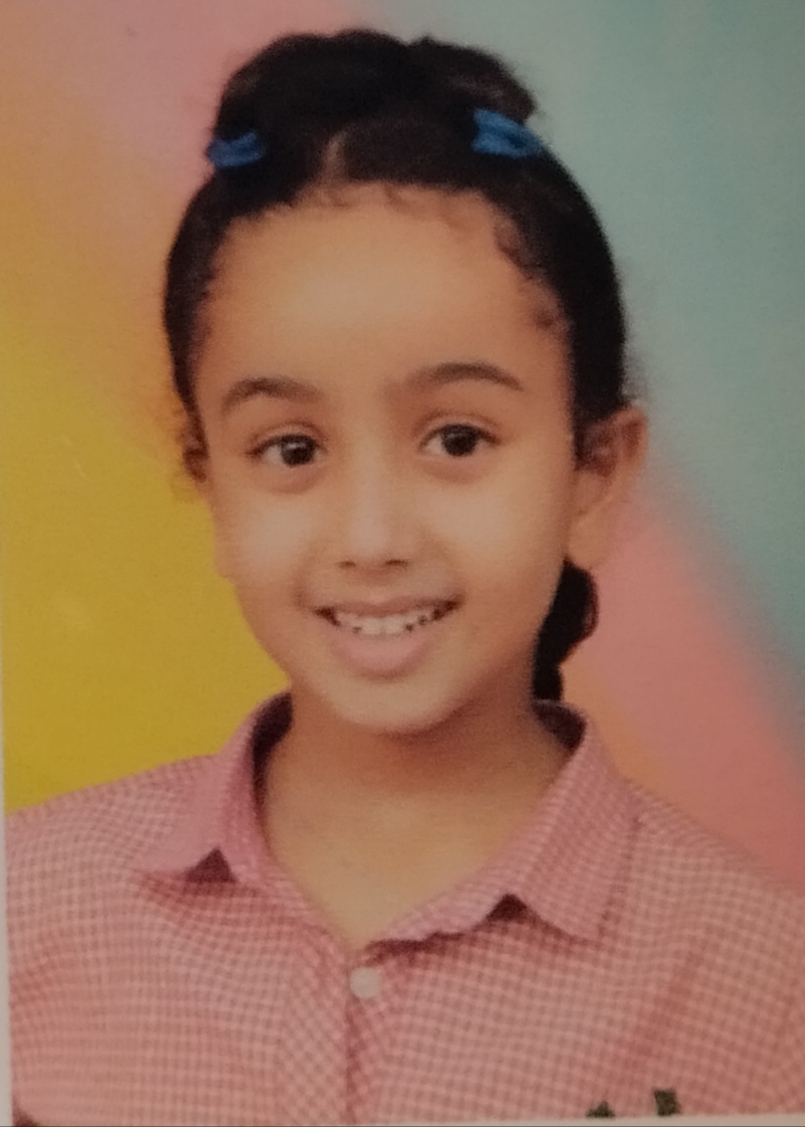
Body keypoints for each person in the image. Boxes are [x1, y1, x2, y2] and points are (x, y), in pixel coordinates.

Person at [6, 27, 805, 1127]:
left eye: (457, 438)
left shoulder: (766, 989)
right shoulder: (24, 910)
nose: (372, 534)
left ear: (593, 472)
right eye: (291, 448)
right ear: (212, 480)